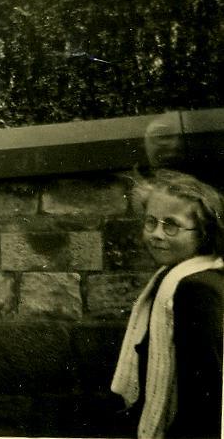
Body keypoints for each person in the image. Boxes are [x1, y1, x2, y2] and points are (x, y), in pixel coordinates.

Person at [111, 169, 224, 439]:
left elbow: (206, 390)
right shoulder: (173, 276)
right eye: (151, 222)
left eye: (171, 225)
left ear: (203, 233)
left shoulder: (196, 288)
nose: (157, 234)